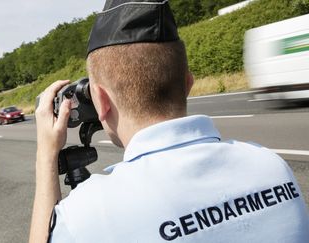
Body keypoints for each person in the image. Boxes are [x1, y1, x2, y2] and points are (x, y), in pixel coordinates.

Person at [29, 0, 309, 242]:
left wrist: (46, 155)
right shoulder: (271, 166)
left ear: (101, 101)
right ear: (187, 83)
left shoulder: (87, 215)